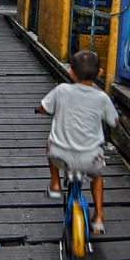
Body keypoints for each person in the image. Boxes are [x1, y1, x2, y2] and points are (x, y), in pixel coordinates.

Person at [37, 50, 119, 234]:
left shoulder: (61, 90)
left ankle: (55, 183)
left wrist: (40, 110)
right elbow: (114, 122)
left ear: (71, 72)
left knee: (50, 142)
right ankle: (98, 217)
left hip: (60, 156)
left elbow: (44, 108)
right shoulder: (102, 97)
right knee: (97, 178)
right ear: (100, 73)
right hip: (90, 159)